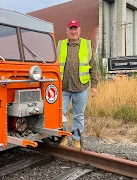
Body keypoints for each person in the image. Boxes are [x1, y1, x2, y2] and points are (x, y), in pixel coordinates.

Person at [57, 20, 98, 149]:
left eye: (75, 29)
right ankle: (63, 136)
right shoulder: (60, 44)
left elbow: (94, 66)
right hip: (63, 87)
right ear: (67, 31)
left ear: (79, 30)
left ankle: (76, 138)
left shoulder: (87, 44)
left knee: (78, 115)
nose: (73, 31)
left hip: (81, 86)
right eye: (71, 29)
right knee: (60, 113)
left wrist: (94, 86)